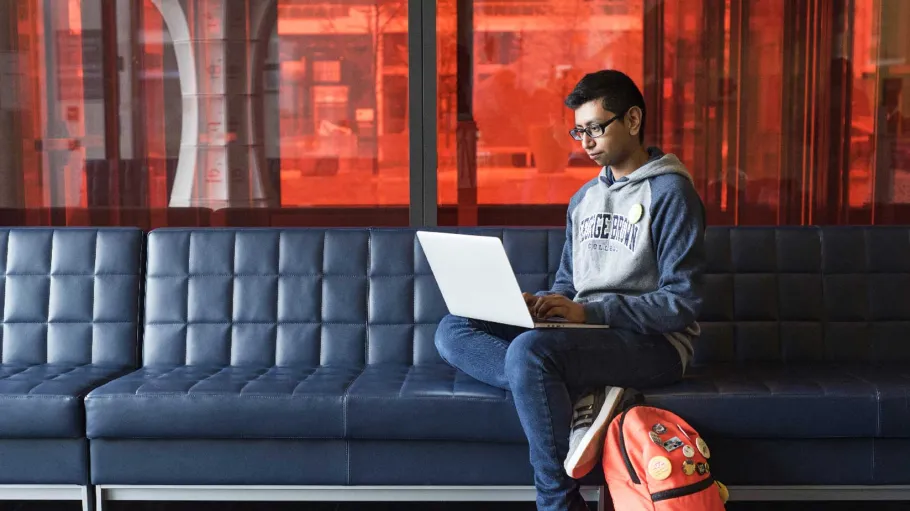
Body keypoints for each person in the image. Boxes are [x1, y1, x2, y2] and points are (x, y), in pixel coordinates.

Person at [434, 69, 706, 511]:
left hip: (654, 345)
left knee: (529, 354)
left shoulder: (672, 193)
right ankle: (574, 390)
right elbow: (570, 284)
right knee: (454, 327)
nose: (586, 141)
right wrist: (543, 306)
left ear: (632, 120)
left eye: (595, 127)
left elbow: (682, 301)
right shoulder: (583, 200)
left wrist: (590, 314)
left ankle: (557, 502)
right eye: (579, 131)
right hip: (586, 337)